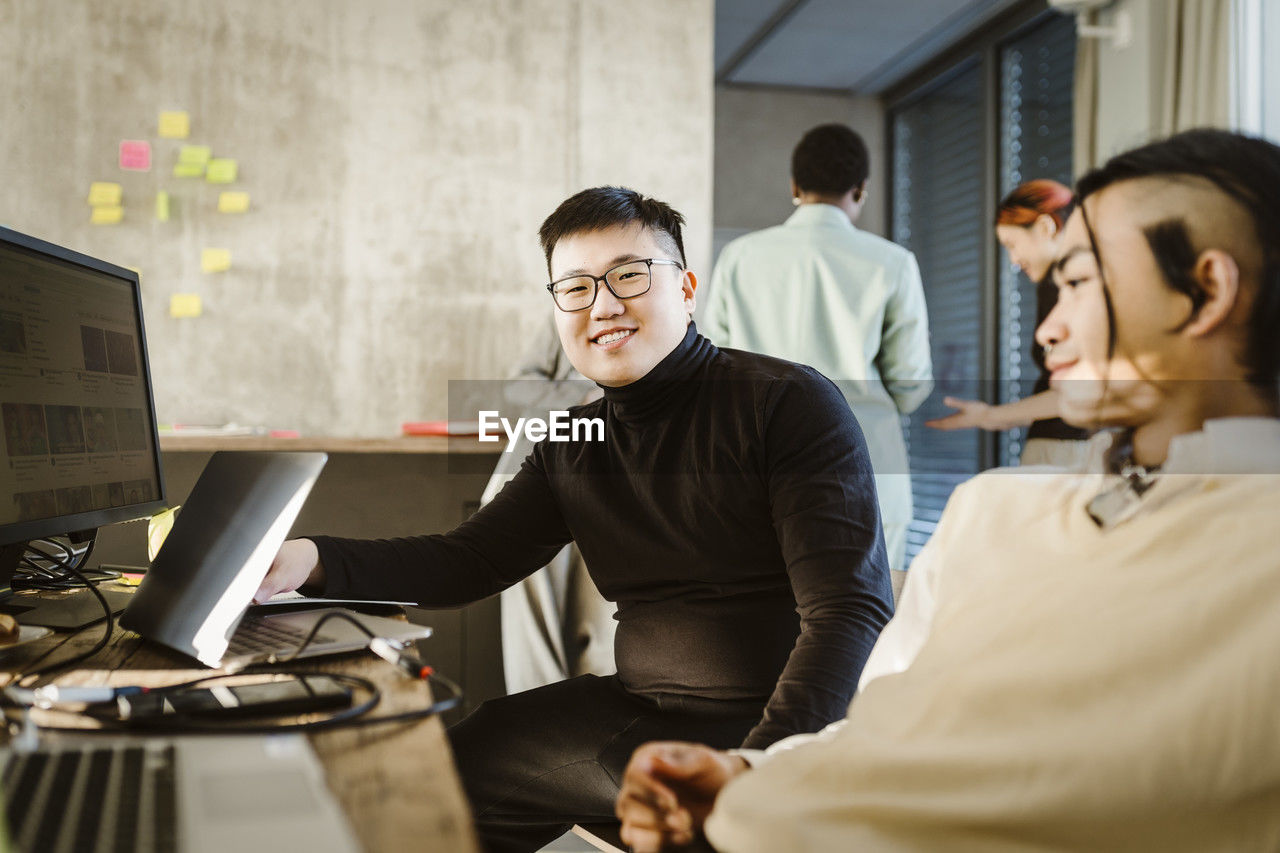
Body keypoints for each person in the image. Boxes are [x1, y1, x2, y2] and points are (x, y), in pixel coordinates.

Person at [615, 128, 1280, 851]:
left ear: (1206, 289)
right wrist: (747, 772)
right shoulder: (990, 508)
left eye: (1080, 282)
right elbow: (880, 714)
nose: (1049, 330)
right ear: (860, 192)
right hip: (869, 459)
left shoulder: (1257, 557)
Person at [256, 186, 895, 852]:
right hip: (640, 707)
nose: (603, 304)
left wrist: (753, 770)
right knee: (444, 773)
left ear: (687, 288)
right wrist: (313, 558)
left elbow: (849, 610)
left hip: (774, 723)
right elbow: (469, 558)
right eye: (576, 287)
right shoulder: (572, 441)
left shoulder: (787, 404)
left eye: (628, 274)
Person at [704, 123, 932, 584]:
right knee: (869, 620)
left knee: (767, 617)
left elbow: (715, 367)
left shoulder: (739, 257)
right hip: (866, 459)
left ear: (794, 187)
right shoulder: (892, 263)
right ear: (861, 189)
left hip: (760, 461)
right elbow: (909, 383)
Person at [926, 179, 1091, 466]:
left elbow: (1075, 392)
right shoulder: (1065, 287)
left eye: (1012, 245)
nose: (1014, 260)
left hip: (1062, 452)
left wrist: (990, 416)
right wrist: (989, 417)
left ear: (1046, 228)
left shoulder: (1058, 283)